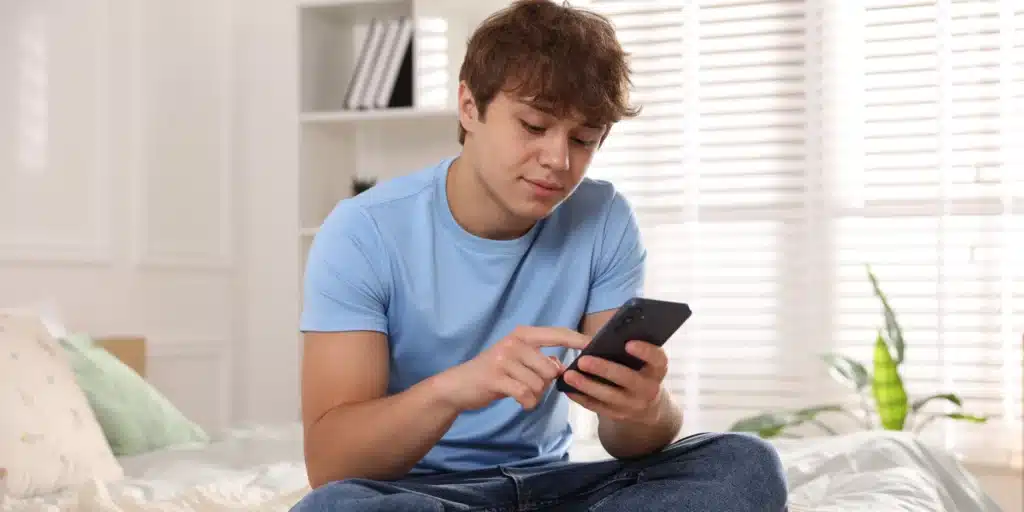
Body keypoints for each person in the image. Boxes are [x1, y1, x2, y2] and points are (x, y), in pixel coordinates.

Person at [291, 1, 788, 510]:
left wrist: (647, 406)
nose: (558, 160)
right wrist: (457, 388)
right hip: (416, 493)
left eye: (583, 139)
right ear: (469, 106)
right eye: (533, 126)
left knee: (744, 463)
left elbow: (626, 441)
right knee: (336, 507)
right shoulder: (363, 231)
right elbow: (331, 465)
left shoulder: (604, 218)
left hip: (552, 485)